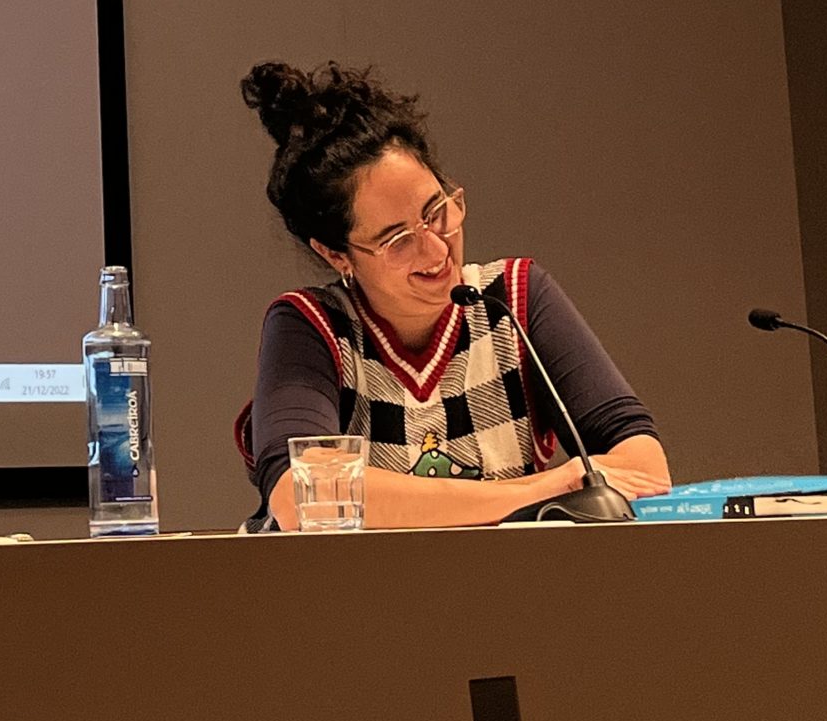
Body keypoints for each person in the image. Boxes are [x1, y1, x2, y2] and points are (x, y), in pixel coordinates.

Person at [235, 61, 670, 529]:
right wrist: (546, 489)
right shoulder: (310, 325)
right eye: (398, 239)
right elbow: (300, 495)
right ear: (336, 253)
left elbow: (643, 467)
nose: (437, 249)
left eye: (437, 211)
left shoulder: (515, 297)